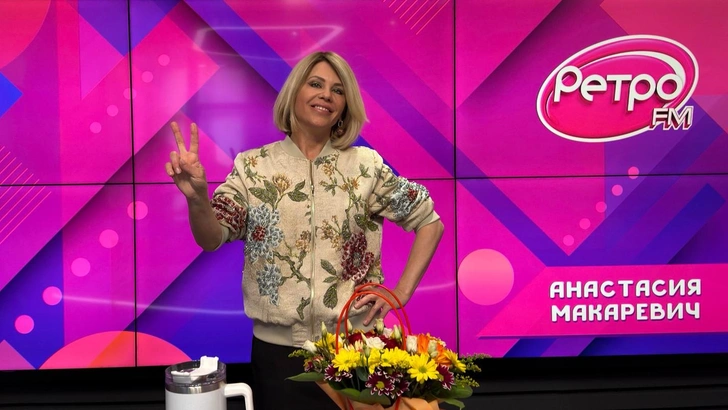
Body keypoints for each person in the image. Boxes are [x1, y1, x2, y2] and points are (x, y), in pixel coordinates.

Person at [165, 51, 444, 409]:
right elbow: (212, 237)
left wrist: (400, 293)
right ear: (294, 92)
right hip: (278, 357)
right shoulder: (253, 167)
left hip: (356, 354)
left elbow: (430, 222)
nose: (326, 95)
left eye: (338, 90)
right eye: (316, 84)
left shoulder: (366, 166)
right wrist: (197, 199)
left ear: (344, 107)